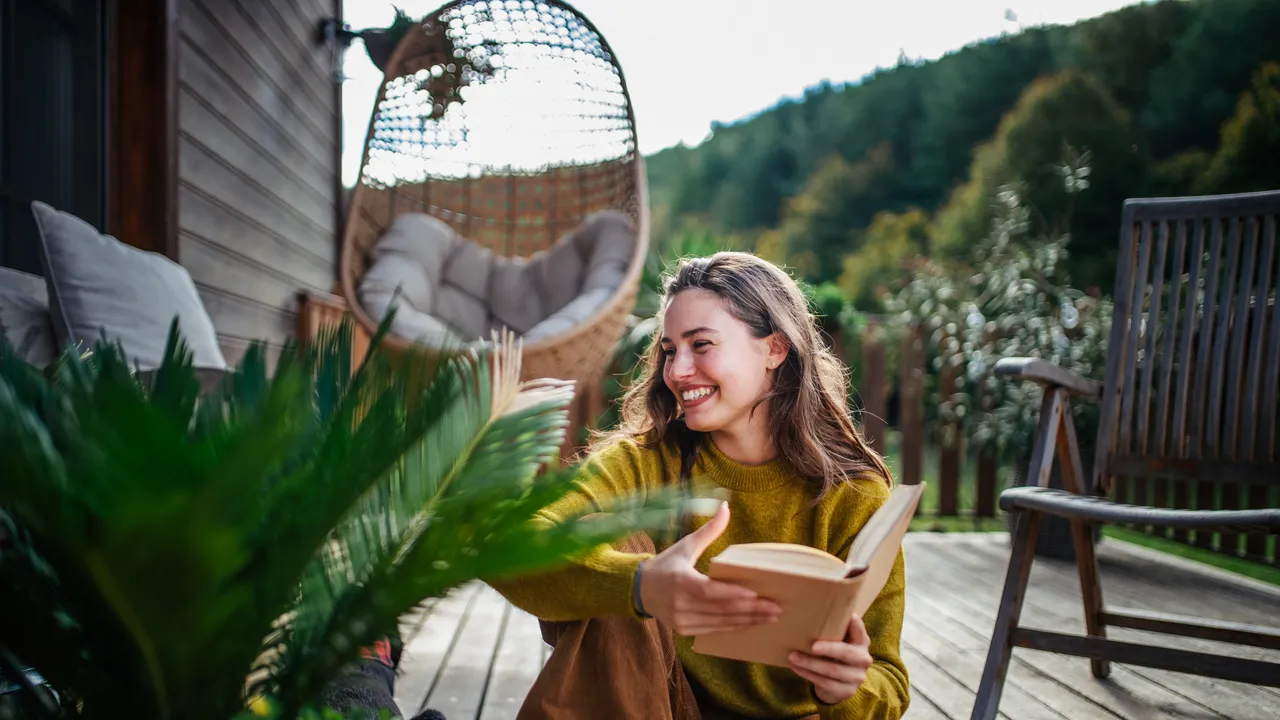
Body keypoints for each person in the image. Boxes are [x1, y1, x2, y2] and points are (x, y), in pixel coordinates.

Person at [490, 252, 909, 719]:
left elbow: (889, 685)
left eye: (701, 344)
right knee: (612, 537)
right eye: (669, 350)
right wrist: (640, 584)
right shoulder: (644, 462)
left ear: (774, 349)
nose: (677, 371)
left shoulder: (854, 494)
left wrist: (845, 687)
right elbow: (509, 543)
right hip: (660, 706)